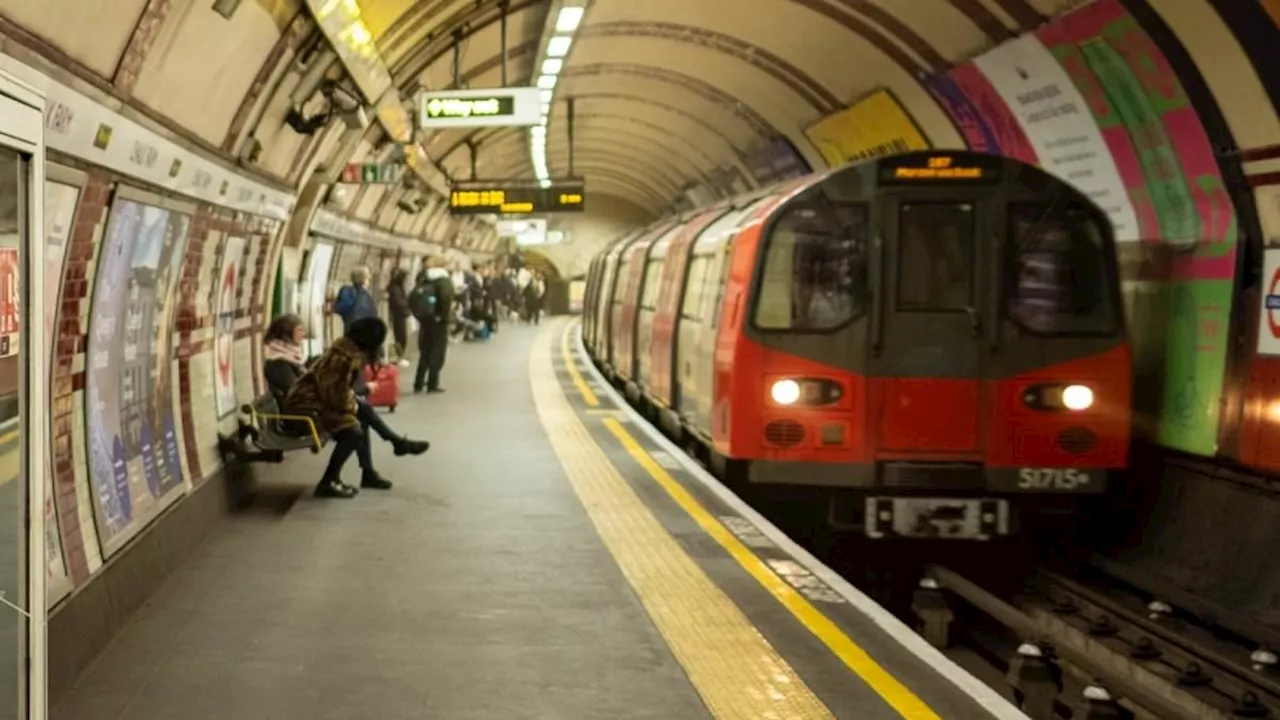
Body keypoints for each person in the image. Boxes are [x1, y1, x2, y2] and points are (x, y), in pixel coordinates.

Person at [265, 315, 428, 498]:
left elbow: (335, 392)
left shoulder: (345, 351)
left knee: (361, 411)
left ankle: (372, 468)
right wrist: (353, 405)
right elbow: (334, 393)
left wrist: (354, 403)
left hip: (315, 405)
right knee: (353, 430)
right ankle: (328, 481)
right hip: (305, 411)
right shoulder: (341, 358)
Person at [411, 255, 454, 394]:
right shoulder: (444, 280)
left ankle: (418, 382)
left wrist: (419, 315)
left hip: (426, 320)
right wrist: (442, 316)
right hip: (439, 322)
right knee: (437, 351)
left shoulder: (424, 278)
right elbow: (446, 299)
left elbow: (413, 297)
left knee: (425, 350)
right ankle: (432, 383)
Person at [332, 266, 378, 331]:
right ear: (364, 280)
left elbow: (339, 308)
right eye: (367, 278)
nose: (370, 279)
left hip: (352, 332)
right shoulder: (366, 297)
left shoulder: (349, 292)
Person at [386, 267, 412, 367]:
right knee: (401, 337)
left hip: (400, 315)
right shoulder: (396, 289)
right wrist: (408, 305)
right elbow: (398, 303)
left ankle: (399, 356)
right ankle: (398, 357)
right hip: (399, 315)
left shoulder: (397, 288)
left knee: (401, 336)